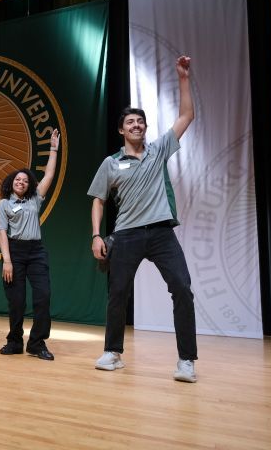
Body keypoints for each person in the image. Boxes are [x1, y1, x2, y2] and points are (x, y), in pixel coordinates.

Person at [88, 56, 197, 383]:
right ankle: (112, 353)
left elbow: (187, 115)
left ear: (145, 128)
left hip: (162, 233)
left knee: (182, 288)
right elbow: (98, 200)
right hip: (126, 236)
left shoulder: (159, 149)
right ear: (121, 129)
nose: (136, 125)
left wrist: (183, 78)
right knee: (118, 292)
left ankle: (186, 361)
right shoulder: (111, 163)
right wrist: (96, 235)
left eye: (141, 122)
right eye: (130, 122)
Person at [0, 129, 60, 361]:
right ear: (11, 184)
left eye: (25, 180)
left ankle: (37, 343)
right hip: (14, 253)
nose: (21, 182)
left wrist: (53, 148)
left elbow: (49, 175)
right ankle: (14, 341)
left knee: (43, 296)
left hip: (36, 251)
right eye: (17, 179)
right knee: (17, 301)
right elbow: (1, 233)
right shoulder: (3, 205)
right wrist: (7, 261)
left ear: (29, 184)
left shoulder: (34, 199)